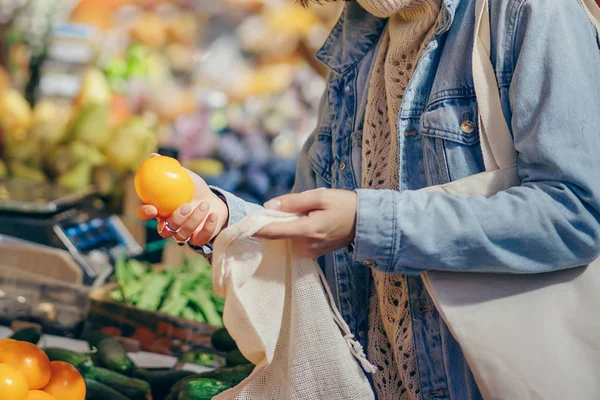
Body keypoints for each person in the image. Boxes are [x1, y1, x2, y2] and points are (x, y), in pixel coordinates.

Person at [137, 0, 600, 398]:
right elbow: (312, 229)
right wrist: (224, 218)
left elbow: (576, 211)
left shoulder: (528, 12)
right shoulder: (362, 42)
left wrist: (368, 223)